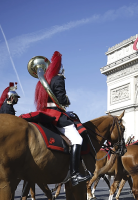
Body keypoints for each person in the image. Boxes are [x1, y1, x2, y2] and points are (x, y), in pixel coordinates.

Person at [34, 51, 91, 186]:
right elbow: (61, 99)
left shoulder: (42, 82)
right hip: (55, 114)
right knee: (77, 139)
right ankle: (75, 174)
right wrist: (66, 100)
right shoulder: (58, 78)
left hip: (43, 114)